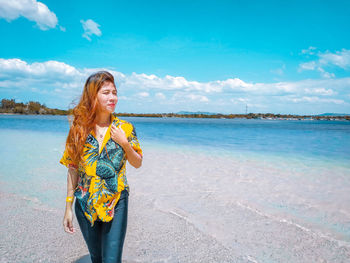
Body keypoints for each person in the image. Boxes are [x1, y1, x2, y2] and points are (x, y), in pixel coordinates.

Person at [60, 71, 143, 263]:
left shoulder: (125, 128)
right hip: (85, 203)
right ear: (92, 96)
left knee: (112, 260)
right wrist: (68, 207)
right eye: (106, 92)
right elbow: (72, 168)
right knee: (97, 259)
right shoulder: (78, 129)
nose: (112, 97)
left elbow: (137, 163)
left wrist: (125, 143)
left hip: (116, 202)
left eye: (114, 92)